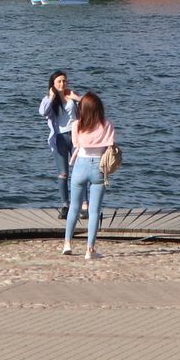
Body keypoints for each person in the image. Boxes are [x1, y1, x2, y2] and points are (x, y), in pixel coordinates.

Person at [62, 91, 115, 260]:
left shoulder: (77, 125)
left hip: (80, 165)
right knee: (94, 211)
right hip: (98, 166)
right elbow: (110, 146)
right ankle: (90, 249)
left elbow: (76, 144)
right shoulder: (106, 125)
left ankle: (67, 244)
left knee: (74, 208)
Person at [39, 71, 78, 219]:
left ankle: (83, 204)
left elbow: (88, 107)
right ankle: (65, 205)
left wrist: (77, 98)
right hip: (60, 138)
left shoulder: (72, 96)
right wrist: (52, 97)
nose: (62, 84)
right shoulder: (49, 99)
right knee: (63, 173)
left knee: (80, 172)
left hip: (75, 136)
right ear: (53, 84)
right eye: (59, 82)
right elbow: (43, 112)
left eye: (64, 81)